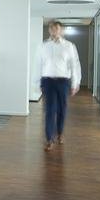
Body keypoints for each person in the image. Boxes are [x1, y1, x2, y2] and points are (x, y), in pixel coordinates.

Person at [35, 20, 81, 151]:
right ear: (49, 30)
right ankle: (49, 139)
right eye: (52, 29)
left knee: (62, 109)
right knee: (49, 110)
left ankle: (60, 133)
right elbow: (38, 64)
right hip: (48, 81)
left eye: (56, 28)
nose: (54, 31)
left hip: (63, 82)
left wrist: (75, 82)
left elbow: (75, 65)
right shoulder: (43, 46)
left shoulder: (69, 46)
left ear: (61, 30)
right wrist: (37, 82)